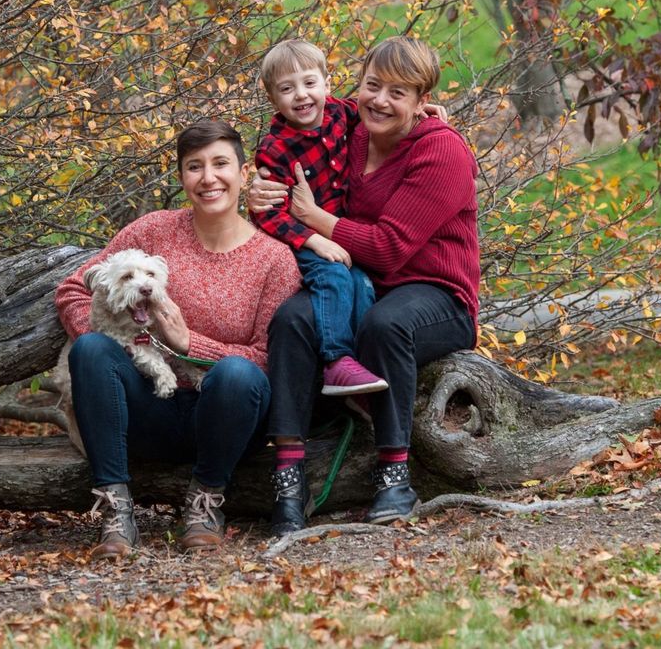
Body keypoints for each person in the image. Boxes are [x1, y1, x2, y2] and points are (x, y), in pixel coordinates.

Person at [250, 36, 480, 535]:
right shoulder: (349, 128)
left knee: (385, 325)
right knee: (292, 319)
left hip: (435, 293)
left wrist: (313, 218)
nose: (380, 100)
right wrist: (259, 187)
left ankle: (394, 476)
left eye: (399, 93)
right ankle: (289, 478)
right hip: (358, 282)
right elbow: (293, 129)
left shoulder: (442, 150)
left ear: (422, 103)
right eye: (373, 85)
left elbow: (391, 247)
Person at [55, 119, 302, 558]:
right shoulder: (152, 231)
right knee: (92, 348)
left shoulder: (274, 259)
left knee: (238, 374)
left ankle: (205, 501)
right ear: (182, 177)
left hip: (227, 418)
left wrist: (188, 343)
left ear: (244, 175)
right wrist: (117, 332)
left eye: (221, 164)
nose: (208, 178)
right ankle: (115, 508)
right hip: (145, 407)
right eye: (194, 167)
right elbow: (73, 289)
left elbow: (267, 359)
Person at [252, 39, 387, 397]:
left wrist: (422, 110)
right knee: (333, 277)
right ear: (273, 98)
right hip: (301, 239)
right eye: (287, 88)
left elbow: (383, 112)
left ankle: (361, 363)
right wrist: (315, 241)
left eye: (309, 83)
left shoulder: (342, 114)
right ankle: (336, 361)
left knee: (362, 283)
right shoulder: (275, 149)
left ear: (327, 84)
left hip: (339, 232)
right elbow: (269, 215)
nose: (301, 95)